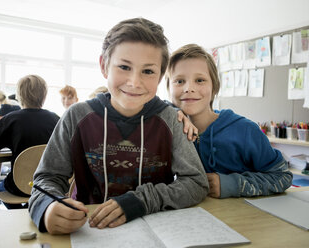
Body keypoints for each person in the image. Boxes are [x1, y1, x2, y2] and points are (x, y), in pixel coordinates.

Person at [28, 18, 209, 235]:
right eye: (124, 67)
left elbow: (196, 183)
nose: (134, 82)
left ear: (161, 76)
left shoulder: (172, 120)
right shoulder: (76, 116)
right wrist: (48, 206)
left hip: (157, 228)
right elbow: (46, 180)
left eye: (148, 71)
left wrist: (140, 201)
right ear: (104, 66)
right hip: (89, 228)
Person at [166, 44, 292, 199]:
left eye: (200, 80)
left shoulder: (245, 131)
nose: (189, 88)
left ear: (214, 88)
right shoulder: (166, 129)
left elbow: (282, 177)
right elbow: (150, 105)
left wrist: (232, 184)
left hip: (240, 219)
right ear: (168, 89)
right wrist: (171, 110)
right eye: (179, 81)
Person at [0, 75, 60, 207]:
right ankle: (34, 211)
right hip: (51, 186)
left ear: (19, 95)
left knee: (2, 188)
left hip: (19, 187)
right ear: (44, 96)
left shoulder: (11, 119)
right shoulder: (56, 119)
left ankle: (19, 213)